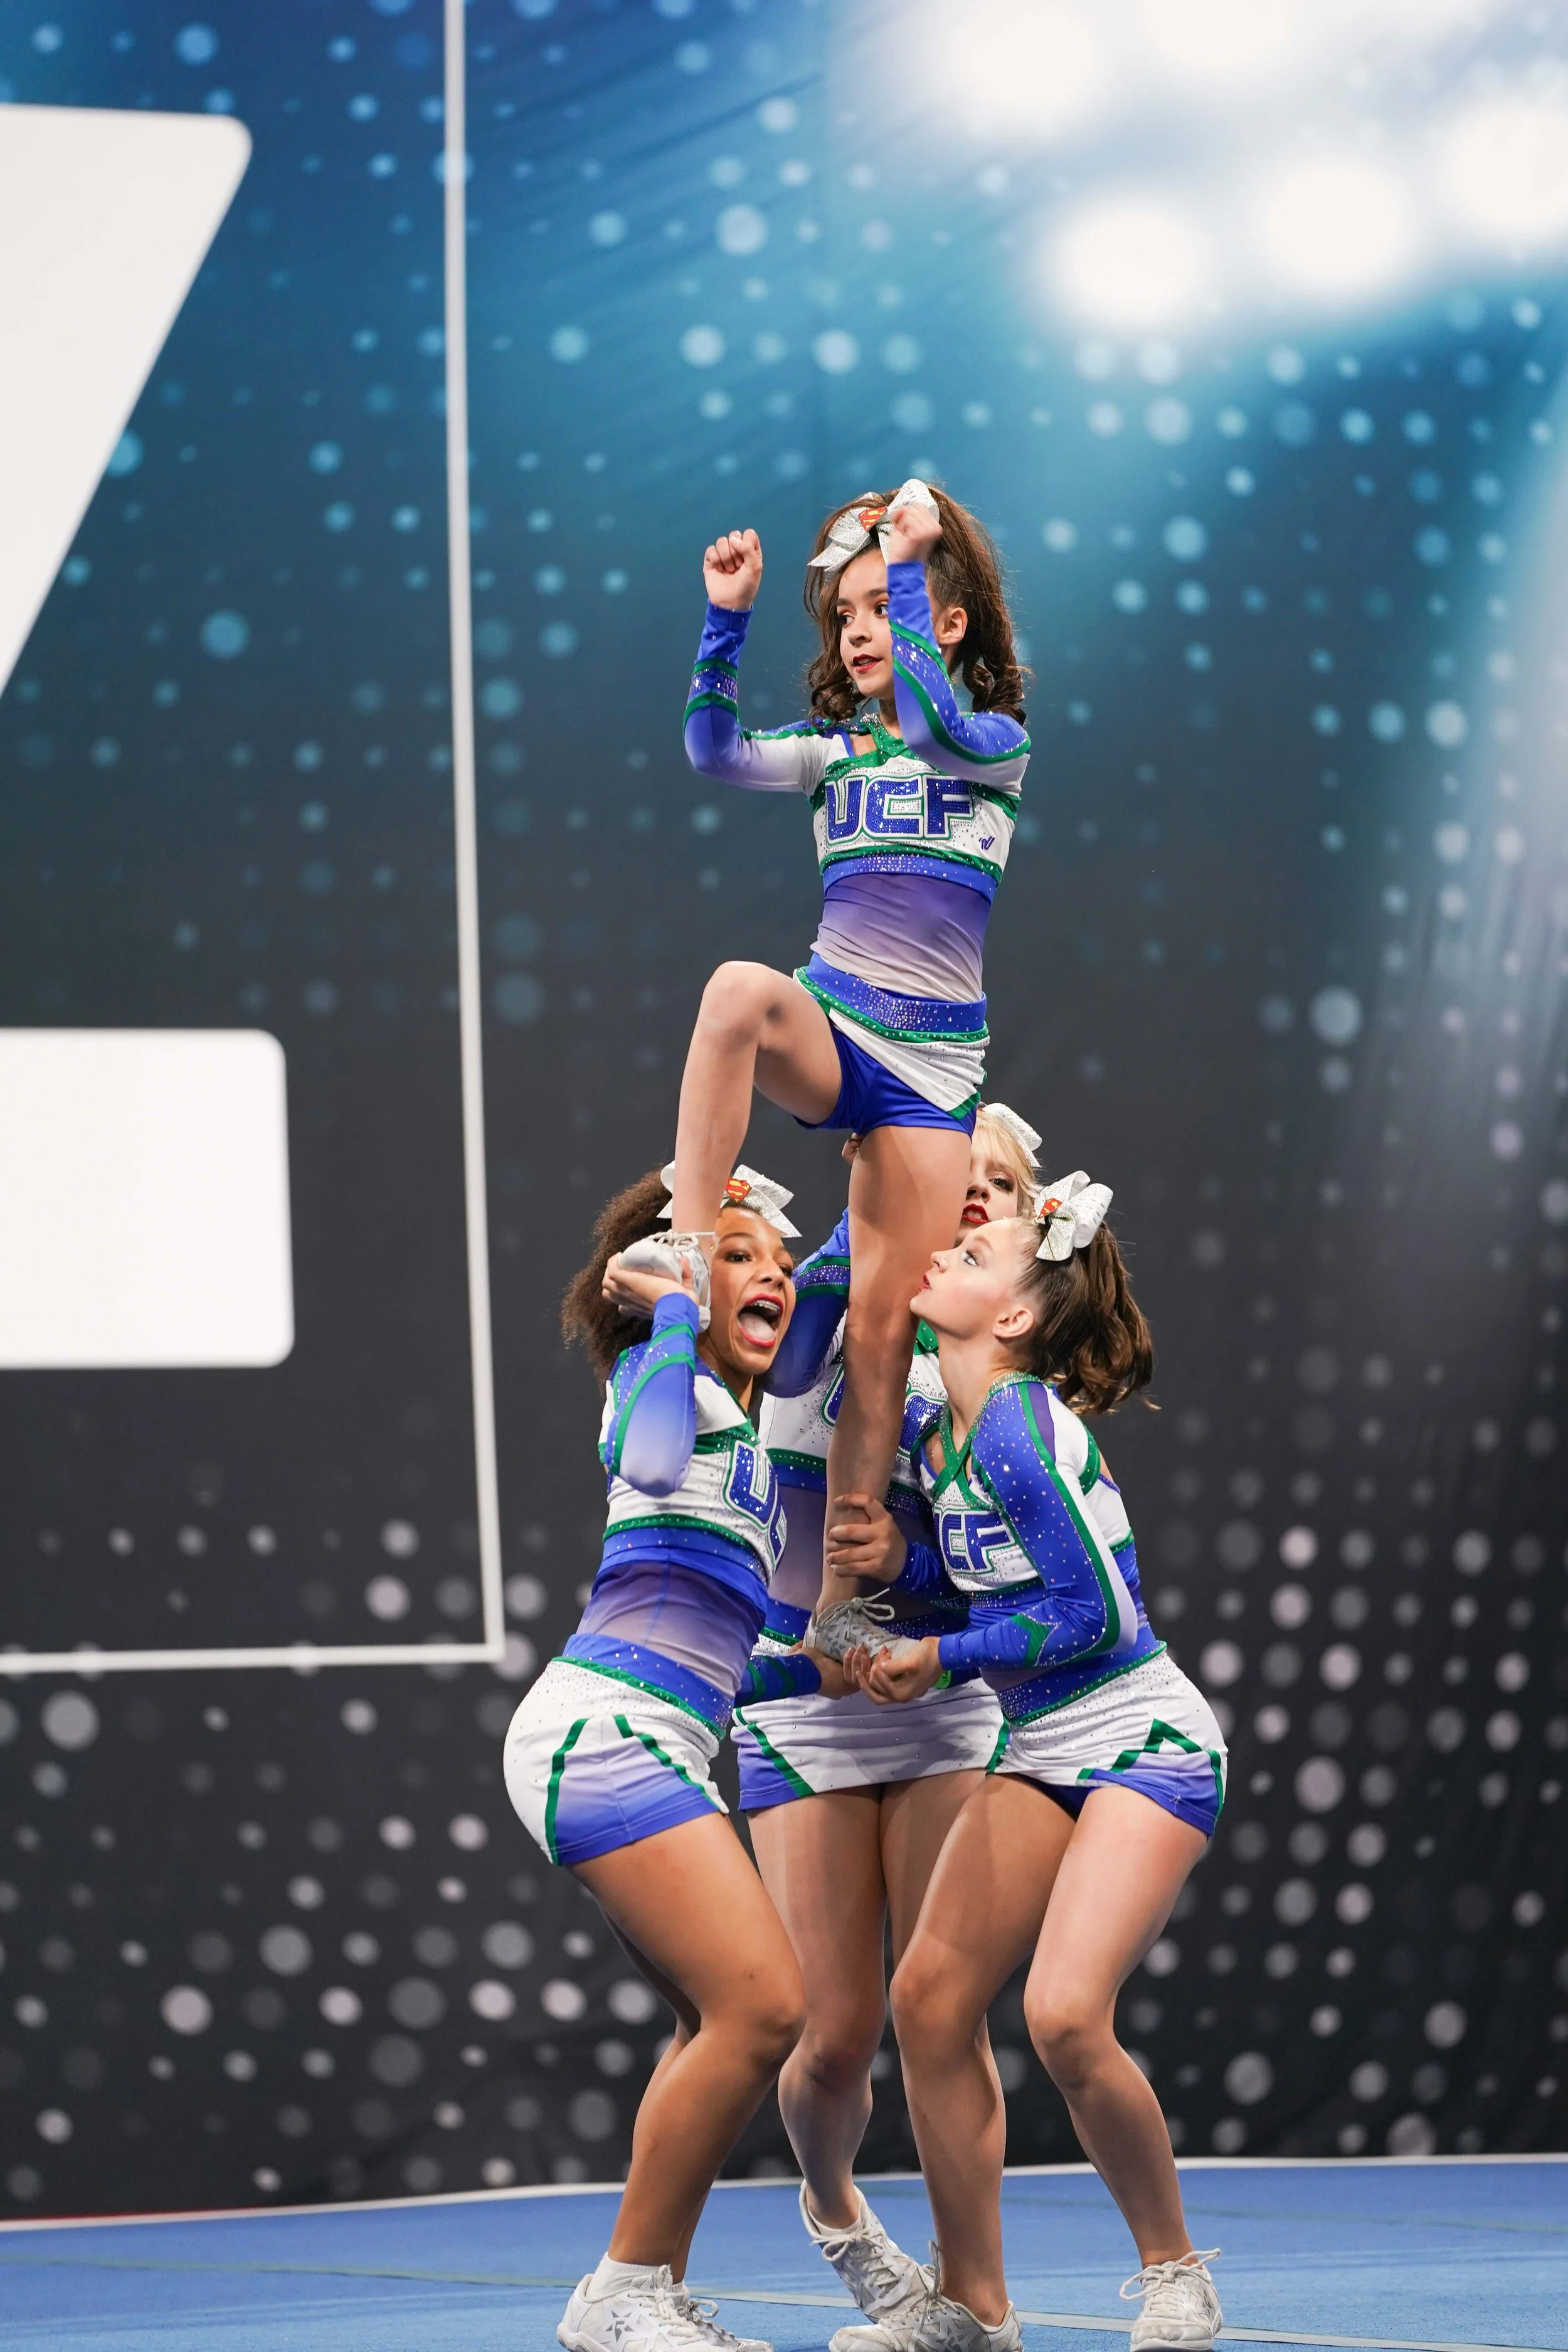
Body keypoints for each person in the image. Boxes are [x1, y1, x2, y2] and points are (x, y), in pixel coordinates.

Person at [825, 1180, 1228, 2352]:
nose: (946, 1250)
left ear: (1010, 1317)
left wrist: (939, 1655)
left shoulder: (1016, 1421)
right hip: (1039, 1741)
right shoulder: (941, 1433)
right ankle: (974, 2306)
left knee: (1062, 2014)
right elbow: (988, 1591)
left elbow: (1096, 1615)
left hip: (1140, 1736)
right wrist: (901, 1581)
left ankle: (1174, 2271)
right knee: (927, 2000)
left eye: (974, 1250)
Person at [641, 482, 1030, 1558]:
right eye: (845, 613)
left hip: (930, 1080)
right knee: (735, 989)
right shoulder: (833, 752)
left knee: (877, 1342)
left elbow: (936, 723)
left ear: (947, 622)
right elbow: (714, 751)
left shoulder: (992, 744)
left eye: (883, 608)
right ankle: (687, 1260)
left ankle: (840, 1602)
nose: (860, 630)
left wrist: (906, 563)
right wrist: (726, 620)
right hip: (833, 1026)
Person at [503, 1164, 834, 2352]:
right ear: (677, 1269)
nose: (775, 1276)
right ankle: (620, 2293)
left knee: (712, 2020)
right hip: (605, 1732)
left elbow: (719, 1659)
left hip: (659, 1734)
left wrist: (837, 1669)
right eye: (741, 1252)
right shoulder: (660, 1373)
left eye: (781, 1262)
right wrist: (672, 1310)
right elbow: (646, 1463)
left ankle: (647, 2295)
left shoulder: (741, 1432)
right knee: (765, 2003)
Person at [728, 1106, 1041, 2332]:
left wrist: (909, 1564)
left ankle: (973, 2299)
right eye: (950, 1166)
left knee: (940, 2012)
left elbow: (1017, 1586)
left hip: (937, 1704)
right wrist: (862, 1222)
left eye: (995, 1182)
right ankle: (835, 2209)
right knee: (832, 2036)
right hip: (804, 1704)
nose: (967, 1191)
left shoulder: (1003, 1365)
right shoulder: (816, 1305)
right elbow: (778, 1374)